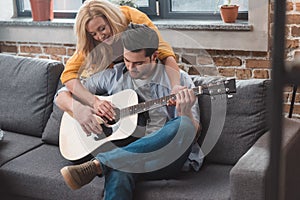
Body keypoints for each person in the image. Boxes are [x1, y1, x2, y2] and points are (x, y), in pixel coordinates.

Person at [55, 24, 203, 200]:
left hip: (165, 157)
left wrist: (185, 111)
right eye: (127, 60)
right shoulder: (114, 76)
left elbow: (191, 133)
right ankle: (109, 161)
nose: (131, 68)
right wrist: (79, 108)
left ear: (154, 56)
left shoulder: (179, 81)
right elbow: (61, 94)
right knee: (119, 170)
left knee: (183, 124)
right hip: (127, 158)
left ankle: (100, 163)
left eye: (138, 63)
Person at [61, 0, 181, 118]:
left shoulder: (133, 18)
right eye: (93, 34)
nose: (100, 36)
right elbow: (68, 74)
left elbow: (164, 53)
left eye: (102, 28)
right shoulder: (93, 48)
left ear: (111, 19)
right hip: (106, 89)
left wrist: (175, 85)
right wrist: (94, 102)